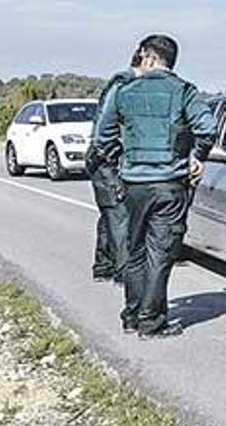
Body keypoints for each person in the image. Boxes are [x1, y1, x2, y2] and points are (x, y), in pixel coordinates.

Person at [94, 34, 217, 338]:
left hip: (133, 184)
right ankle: (151, 321)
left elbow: (101, 137)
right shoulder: (184, 91)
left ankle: (132, 315)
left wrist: (121, 161)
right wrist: (196, 157)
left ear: (148, 57)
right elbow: (208, 128)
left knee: (134, 252)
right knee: (160, 254)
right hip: (169, 184)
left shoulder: (123, 90)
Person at [84, 52, 141, 282]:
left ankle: (104, 265)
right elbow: (105, 135)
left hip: (101, 160)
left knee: (110, 214)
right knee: (119, 216)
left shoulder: (120, 83)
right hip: (106, 161)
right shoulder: (125, 85)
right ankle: (124, 273)